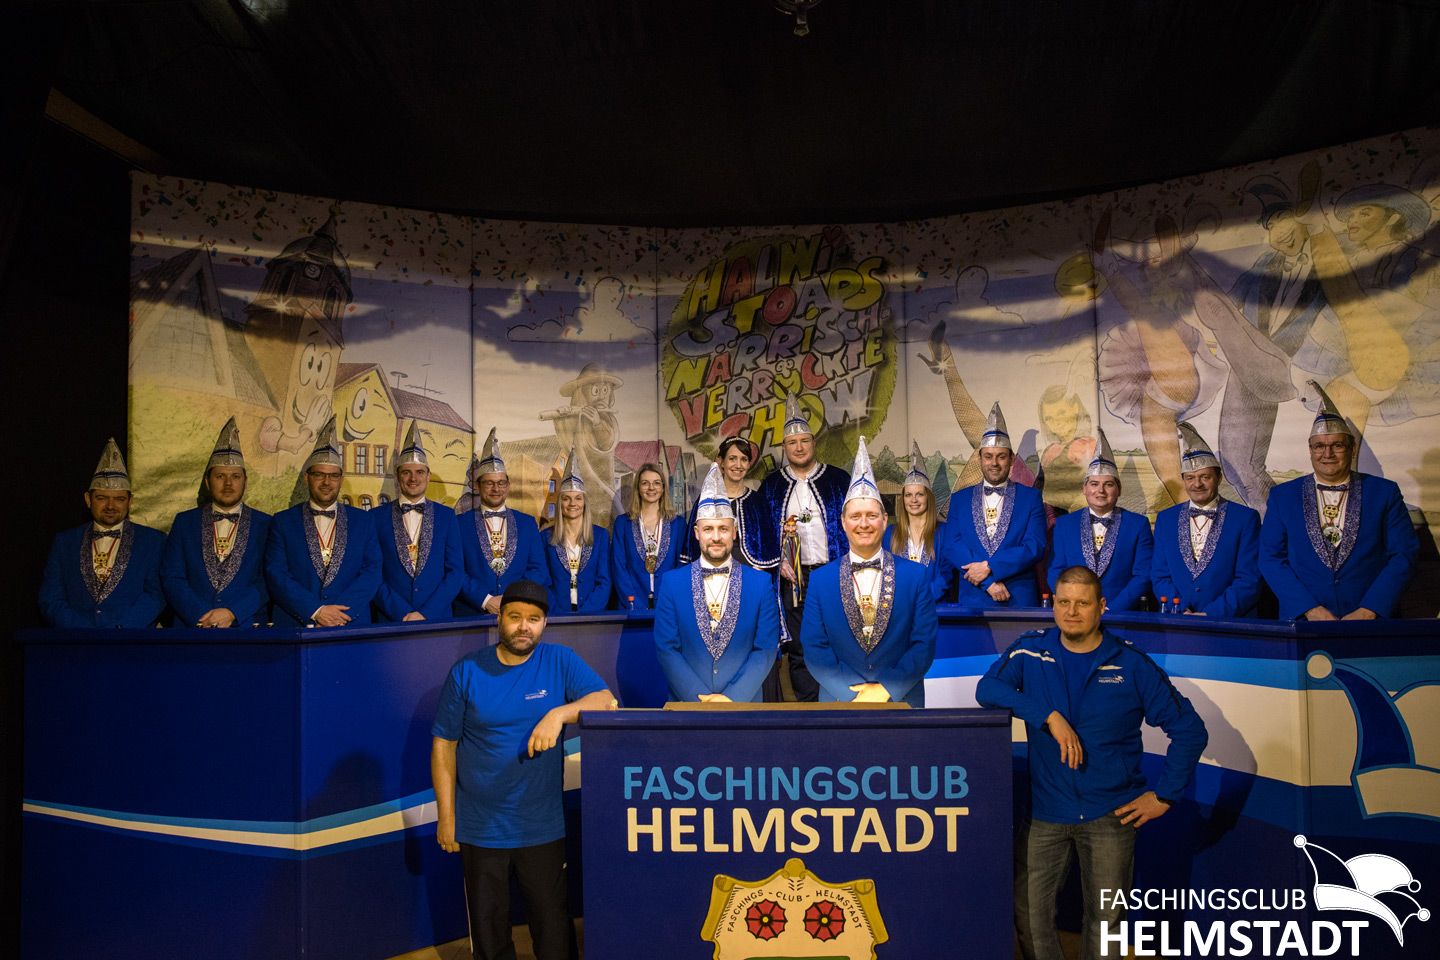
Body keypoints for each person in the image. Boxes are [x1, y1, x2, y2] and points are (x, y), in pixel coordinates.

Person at [977, 566, 1208, 960]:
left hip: (1110, 815)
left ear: (1101, 607)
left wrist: (1165, 796)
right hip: (1045, 813)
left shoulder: (1131, 663)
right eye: (1064, 602)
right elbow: (988, 689)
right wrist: (1048, 716)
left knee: (1105, 925)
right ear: (1053, 604)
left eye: (1082, 604)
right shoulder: (1030, 650)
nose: (1071, 612)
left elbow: (1190, 730)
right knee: (1030, 917)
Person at [431, 578, 615, 960]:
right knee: (489, 935)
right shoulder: (467, 671)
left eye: (533, 619)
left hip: (541, 825)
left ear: (544, 623)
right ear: (500, 618)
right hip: (480, 827)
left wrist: (558, 715)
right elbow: (443, 745)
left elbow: (605, 701)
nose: (523, 627)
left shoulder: (560, 661)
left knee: (553, 931)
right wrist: (447, 818)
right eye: (515, 617)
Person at [1259, 381, 1418, 620]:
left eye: (1337, 445)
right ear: (1310, 450)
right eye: (1319, 446)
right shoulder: (1283, 497)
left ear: (1352, 449)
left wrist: (1370, 609)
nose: (1328, 454)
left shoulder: (1384, 493)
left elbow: (1403, 554)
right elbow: (1270, 558)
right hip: (1303, 622)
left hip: (1371, 622)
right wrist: (1309, 609)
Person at [800, 437, 937, 707]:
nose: (864, 524)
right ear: (843, 522)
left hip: (901, 702)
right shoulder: (820, 580)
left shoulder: (916, 576)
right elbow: (814, 648)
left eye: (872, 516)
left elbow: (924, 644)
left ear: (885, 521)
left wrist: (886, 689)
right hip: (839, 703)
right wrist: (854, 694)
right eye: (855, 516)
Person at [653, 464, 781, 703]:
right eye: (708, 529)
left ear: (734, 532)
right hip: (688, 707)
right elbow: (666, 648)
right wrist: (699, 699)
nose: (715, 537)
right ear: (696, 533)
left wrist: (733, 698)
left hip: (744, 706)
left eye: (723, 529)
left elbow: (765, 649)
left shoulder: (760, 584)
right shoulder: (672, 583)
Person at [756, 392, 850, 701]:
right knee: (799, 644)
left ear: (813, 443)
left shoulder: (838, 479)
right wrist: (779, 561)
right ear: (784, 447)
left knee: (836, 637)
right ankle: (810, 705)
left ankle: (838, 700)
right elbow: (763, 536)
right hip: (792, 578)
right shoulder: (771, 485)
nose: (799, 447)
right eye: (792, 443)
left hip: (831, 573)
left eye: (804, 441)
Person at [265, 420, 382, 627]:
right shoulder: (283, 521)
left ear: (341, 479)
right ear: (307, 477)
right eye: (319, 474)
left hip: (350, 624)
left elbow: (372, 572)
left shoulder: (364, 521)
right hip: (298, 626)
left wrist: (338, 615)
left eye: (333, 476)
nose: (327, 482)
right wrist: (316, 611)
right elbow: (276, 574)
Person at [40, 437, 166, 628]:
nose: (110, 506)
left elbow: (156, 595)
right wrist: (81, 631)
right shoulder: (65, 542)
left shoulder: (153, 541)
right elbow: (50, 597)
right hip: (75, 641)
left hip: (132, 640)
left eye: (119, 499)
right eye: (101, 498)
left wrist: (120, 630)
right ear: (88, 499)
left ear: (130, 501)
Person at [160, 417, 272, 627]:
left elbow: (268, 580)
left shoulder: (266, 525)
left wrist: (233, 612)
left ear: (245, 481)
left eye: (235, 476)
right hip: (192, 628)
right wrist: (200, 615)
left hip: (247, 628)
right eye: (220, 476)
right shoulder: (185, 523)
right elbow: (172, 577)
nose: (228, 483)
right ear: (207, 481)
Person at [939, 403, 1047, 608]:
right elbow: (952, 546)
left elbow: (1035, 546)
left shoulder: (1031, 498)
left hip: (1018, 598)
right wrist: (988, 583)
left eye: (1001, 456)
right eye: (988, 456)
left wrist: (991, 567)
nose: (994, 463)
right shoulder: (960, 499)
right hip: (973, 599)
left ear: (1012, 459)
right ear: (979, 459)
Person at [1150, 421, 1262, 616]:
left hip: (1229, 622)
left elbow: (1249, 579)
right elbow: (1160, 576)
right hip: (1178, 620)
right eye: (1190, 478)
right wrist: (1180, 609)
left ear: (1219, 478)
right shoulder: (1166, 520)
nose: (1197, 484)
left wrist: (1212, 613)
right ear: (1183, 480)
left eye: (1205, 477)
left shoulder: (1245, 519)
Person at [1045, 430, 1153, 611]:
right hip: (1074, 612)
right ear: (1084, 489)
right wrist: (1073, 603)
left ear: (1119, 489)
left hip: (1121, 613)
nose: (1100, 491)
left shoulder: (1137, 525)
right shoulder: (1064, 525)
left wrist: (1114, 608)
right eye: (1094, 484)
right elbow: (1055, 571)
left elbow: (1143, 575)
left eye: (1108, 484)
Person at [372, 422, 464, 621]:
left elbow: (455, 573)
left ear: (428, 476)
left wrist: (427, 613)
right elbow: (372, 573)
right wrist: (401, 613)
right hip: (390, 619)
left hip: (437, 619)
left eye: (420, 472)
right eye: (406, 472)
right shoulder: (375, 517)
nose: (413, 478)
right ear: (397, 476)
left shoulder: (447, 516)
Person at [458, 429, 549, 615]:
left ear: (508, 486)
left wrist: (511, 598)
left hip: (517, 612)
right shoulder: (459, 524)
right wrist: (486, 600)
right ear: (478, 486)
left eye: (501, 483)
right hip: (471, 614)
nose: (496, 489)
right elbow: (455, 571)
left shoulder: (527, 523)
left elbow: (539, 570)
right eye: (489, 483)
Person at [678, 436, 778, 570]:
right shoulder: (706, 500)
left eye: (744, 459)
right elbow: (692, 547)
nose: (738, 465)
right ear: (721, 462)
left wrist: (756, 574)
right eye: (732, 458)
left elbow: (769, 550)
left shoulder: (758, 502)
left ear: (749, 464)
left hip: (751, 575)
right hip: (711, 575)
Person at [540, 448, 612, 614]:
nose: (573, 503)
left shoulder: (600, 536)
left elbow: (604, 582)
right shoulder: (545, 537)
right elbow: (543, 581)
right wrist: (558, 614)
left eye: (578, 498)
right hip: (556, 615)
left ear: (585, 502)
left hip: (592, 615)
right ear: (560, 503)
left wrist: (586, 614)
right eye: (566, 498)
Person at [880, 440, 951, 601]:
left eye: (919, 494)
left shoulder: (943, 532)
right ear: (903, 499)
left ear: (928, 498)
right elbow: (885, 573)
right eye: (908, 495)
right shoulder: (890, 534)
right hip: (899, 608)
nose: (914, 500)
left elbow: (945, 574)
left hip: (935, 608)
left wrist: (923, 600)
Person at [611, 461, 684, 609]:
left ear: (663, 488)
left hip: (668, 605)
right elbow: (619, 568)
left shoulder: (678, 524)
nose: (651, 488)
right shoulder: (623, 523)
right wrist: (634, 603)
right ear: (638, 488)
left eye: (657, 483)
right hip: (631, 606)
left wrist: (670, 600)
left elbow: (681, 568)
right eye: (645, 483)